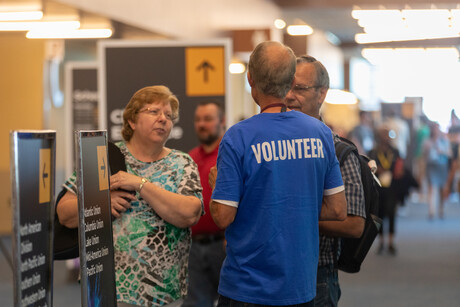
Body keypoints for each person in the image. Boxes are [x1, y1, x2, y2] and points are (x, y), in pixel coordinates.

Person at [209, 41, 347, 307]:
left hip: (246, 288)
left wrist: (219, 188)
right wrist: (294, 205)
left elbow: (223, 216)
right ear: (290, 80)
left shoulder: (238, 137)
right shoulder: (321, 134)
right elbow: (338, 209)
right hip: (300, 286)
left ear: (250, 79)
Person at [56, 85, 203, 307]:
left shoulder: (182, 163)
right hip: (108, 289)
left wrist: (140, 183)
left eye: (169, 116)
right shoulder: (102, 157)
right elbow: (64, 214)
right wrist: (101, 203)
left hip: (165, 294)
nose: (163, 119)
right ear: (132, 121)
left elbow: (189, 214)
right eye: (154, 112)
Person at [285, 55, 366, 307]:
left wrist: (291, 215)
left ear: (322, 94)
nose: (289, 96)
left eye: (299, 88)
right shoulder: (268, 145)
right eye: (285, 87)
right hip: (267, 270)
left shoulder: (337, 151)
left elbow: (354, 224)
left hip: (315, 273)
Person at [183, 101, 226, 307]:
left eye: (208, 119)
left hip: (224, 246)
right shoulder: (190, 158)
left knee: (232, 301)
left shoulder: (230, 154)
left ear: (222, 121)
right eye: (198, 119)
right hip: (194, 247)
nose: (202, 124)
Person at [369, 126, 403, 255]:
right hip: (378, 188)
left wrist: (398, 171)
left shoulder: (395, 151)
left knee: (392, 214)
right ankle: (381, 242)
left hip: (393, 188)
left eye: (388, 134)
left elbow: (400, 166)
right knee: (379, 215)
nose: (386, 137)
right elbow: (369, 168)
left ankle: (391, 242)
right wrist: (379, 171)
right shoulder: (373, 152)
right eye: (383, 134)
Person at [423, 122, 451, 219]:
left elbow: (449, 153)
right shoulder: (427, 141)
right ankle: (431, 210)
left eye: (437, 128)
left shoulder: (444, 141)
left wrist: (441, 151)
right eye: (434, 128)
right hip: (431, 166)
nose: (435, 130)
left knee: (441, 189)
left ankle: (441, 209)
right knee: (431, 187)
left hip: (442, 166)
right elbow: (424, 155)